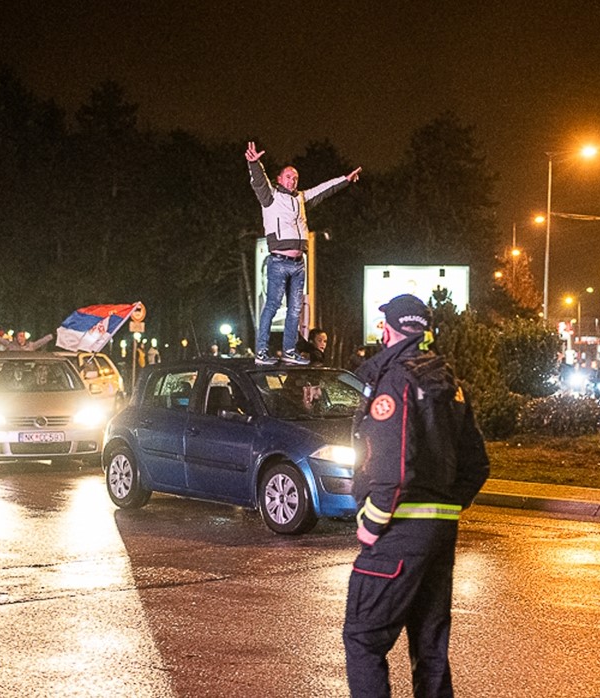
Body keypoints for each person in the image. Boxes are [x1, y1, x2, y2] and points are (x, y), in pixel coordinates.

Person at [343, 294, 490, 698]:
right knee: (430, 646)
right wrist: (446, 506)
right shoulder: (449, 384)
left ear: (388, 329)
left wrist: (372, 521)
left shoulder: (396, 379)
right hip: (440, 533)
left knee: (363, 638)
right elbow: (477, 465)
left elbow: (393, 467)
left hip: (399, 531)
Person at [245, 141, 361, 366]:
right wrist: (254, 163)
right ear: (279, 179)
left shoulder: (301, 199)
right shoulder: (270, 197)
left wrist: (345, 180)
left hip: (298, 263)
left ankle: (289, 350)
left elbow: (324, 189)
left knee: (296, 309)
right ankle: (261, 351)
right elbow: (259, 182)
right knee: (272, 305)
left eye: (295, 177)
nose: (292, 179)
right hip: (279, 261)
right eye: (288, 176)